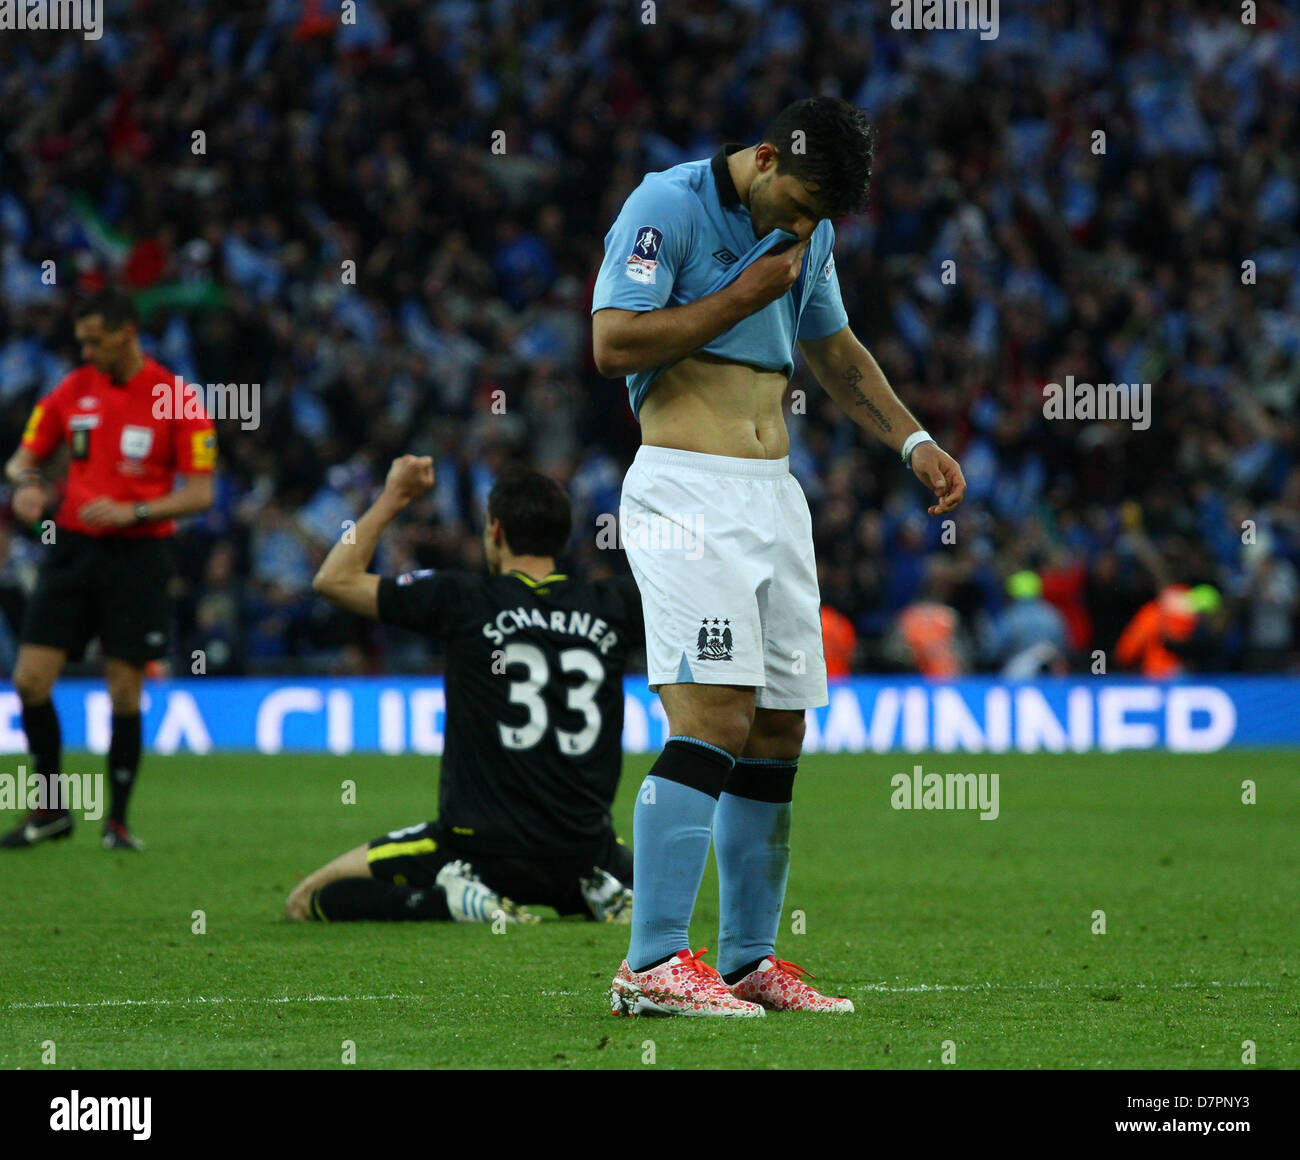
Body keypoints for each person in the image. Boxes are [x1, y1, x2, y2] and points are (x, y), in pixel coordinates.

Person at [592, 97, 966, 1016]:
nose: (804, 230)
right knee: (713, 715)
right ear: (764, 158)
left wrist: (911, 440)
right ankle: (649, 965)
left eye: (819, 219)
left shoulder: (814, 232)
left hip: (773, 498)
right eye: (797, 207)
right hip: (686, 490)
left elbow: (833, 351)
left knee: (777, 727)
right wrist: (738, 299)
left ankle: (750, 961)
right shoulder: (665, 205)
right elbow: (610, 344)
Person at [285, 457, 643, 924]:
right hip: (583, 852)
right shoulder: (615, 603)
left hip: (477, 850)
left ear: (495, 532)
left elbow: (333, 580)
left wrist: (394, 496)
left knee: (309, 899)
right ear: (564, 537)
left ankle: (450, 900)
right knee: (658, 874)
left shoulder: (465, 599)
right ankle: (604, 890)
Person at [2, 289, 216, 851]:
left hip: (140, 554)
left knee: (124, 690)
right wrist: (26, 485)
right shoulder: (73, 389)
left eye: (95, 340)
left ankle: (117, 823)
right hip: (72, 549)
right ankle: (50, 810)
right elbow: (23, 455)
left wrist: (135, 509)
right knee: (29, 679)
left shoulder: (177, 398)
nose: (86, 349)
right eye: (82, 340)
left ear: (127, 333)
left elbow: (200, 493)